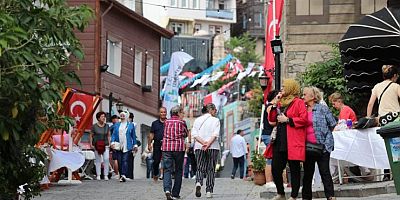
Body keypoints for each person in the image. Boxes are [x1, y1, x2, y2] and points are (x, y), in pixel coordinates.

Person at [268, 79, 308, 200]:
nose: (282, 89)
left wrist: (288, 120)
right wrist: (275, 104)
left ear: (291, 88)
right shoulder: (281, 102)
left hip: (292, 141)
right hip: (280, 141)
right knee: (275, 168)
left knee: (294, 169)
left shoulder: (299, 102)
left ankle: (294, 195)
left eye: (284, 87)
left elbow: (304, 119)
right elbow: (272, 119)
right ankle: (281, 193)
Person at [302, 87, 337, 200]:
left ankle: (330, 196)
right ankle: (306, 198)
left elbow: (332, 123)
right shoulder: (302, 110)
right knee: (307, 174)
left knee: (325, 172)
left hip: (322, 146)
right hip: (307, 147)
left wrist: (327, 144)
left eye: (305, 94)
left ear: (312, 97)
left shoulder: (322, 109)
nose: (303, 97)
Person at [366, 64, 400, 181]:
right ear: (394, 76)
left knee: (386, 147)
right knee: (397, 145)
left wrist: (368, 118)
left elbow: (370, 103)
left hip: (383, 120)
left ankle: (386, 173)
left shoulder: (377, 86)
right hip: (396, 119)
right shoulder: (396, 86)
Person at [192, 103, 220, 198]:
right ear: (210, 110)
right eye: (215, 110)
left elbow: (194, 134)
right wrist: (208, 144)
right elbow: (215, 134)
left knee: (200, 167)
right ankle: (209, 191)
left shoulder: (197, 120)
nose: (215, 112)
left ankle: (199, 182)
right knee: (211, 169)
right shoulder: (216, 120)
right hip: (213, 147)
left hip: (199, 146)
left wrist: (203, 143)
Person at [162, 105, 188, 200]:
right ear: (178, 113)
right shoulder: (182, 122)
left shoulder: (166, 122)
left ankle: (167, 190)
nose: (183, 114)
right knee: (178, 170)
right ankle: (175, 193)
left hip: (166, 147)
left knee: (167, 169)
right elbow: (185, 134)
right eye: (182, 112)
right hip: (178, 148)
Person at [110, 111, 137, 182]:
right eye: (121, 115)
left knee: (125, 160)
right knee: (119, 161)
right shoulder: (116, 124)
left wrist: (135, 145)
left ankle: (123, 175)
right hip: (118, 145)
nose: (122, 117)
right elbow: (113, 134)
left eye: (123, 115)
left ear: (126, 116)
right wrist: (112, 142)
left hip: (127, 145)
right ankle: (121, 174)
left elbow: (133, 136)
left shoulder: (131, 125)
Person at [263, 89, 280, 186]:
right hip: (269, 134)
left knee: (274, 157)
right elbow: (271, 121)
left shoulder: (273, 106)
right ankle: (269, 181)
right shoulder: (270, 107)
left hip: (270, 134)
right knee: (270, 157)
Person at [90, 111, 110, 181]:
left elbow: (108, 135)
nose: (104, 118)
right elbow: (91, 135)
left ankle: (106, 174)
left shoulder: (107, 126)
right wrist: (91, 144)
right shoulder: (94, 126)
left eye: (104, 116)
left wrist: (109, 143)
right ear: (98, 118)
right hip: (97, 144)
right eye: (102, 116)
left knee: (106, 159)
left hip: (105, 144)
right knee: (98, 160)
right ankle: (98, 175)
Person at [149, 107, 167, 182]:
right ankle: (156, 174)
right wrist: (149, 144)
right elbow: (151, 134)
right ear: (159, 113)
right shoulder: (155, 123)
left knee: (166, 161)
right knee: (156, 161)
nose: (163, 113)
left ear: (166, 113)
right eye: (161, 112)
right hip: (157, 144)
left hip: (166, 144)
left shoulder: (168, 122)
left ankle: (166, 177)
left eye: (164, 112)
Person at [109, 115, 120, 179]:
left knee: (115, 159)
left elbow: (110, 136)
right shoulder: (121, 125)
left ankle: (116, 173)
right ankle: (120, 173)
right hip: (121, 144)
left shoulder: (112, 127)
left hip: (114, 143)